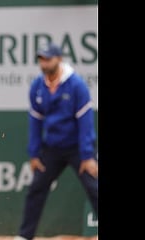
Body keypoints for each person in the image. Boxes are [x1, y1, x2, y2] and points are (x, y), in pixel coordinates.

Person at [14, 42, 98, 240]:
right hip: (52, 149)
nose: (44, 64)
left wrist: (87, 155)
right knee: (36, 189)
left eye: (48, 59)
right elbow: (35, 122)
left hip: (79, 148)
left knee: (94, 188)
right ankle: (25, 236)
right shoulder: (37, 86)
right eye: (41, 59)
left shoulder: (77, 85)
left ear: (59, 59)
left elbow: (85, 123)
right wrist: (34, 154)